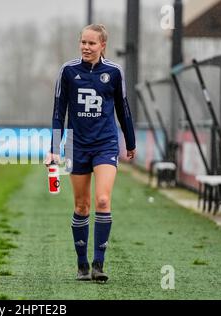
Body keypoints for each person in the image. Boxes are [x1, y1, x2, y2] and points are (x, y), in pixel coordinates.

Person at [46, 24, 136, 282]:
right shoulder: (68, 71)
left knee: (103, 201)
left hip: (106, 144)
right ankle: (82, 263)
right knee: (81, 205)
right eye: (83, 42)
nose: (86, 47)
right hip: (77, 145)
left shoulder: (114, 73)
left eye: (91, 43)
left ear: (102, 46)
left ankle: (99, 264)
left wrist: (129, 142)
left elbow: (124, 110)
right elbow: (57, 113)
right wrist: (54, 149)